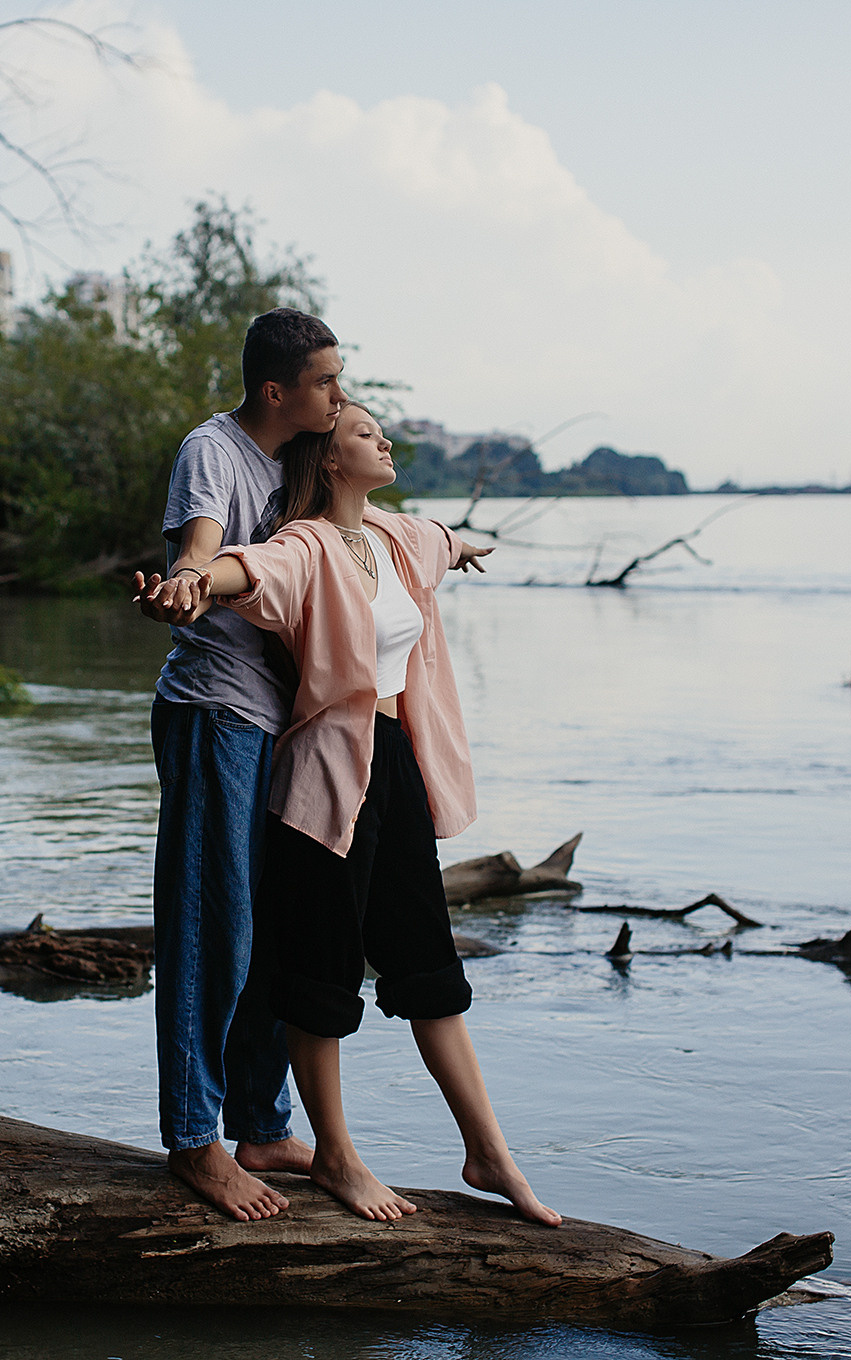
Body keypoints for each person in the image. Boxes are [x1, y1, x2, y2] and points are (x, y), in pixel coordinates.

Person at [136, 404, 561, 1227]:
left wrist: (466, 545)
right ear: (330, 461)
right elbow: (247, 570)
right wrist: (192, 582)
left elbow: (441, 539)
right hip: (331, 776)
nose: (384, 440)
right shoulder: (307, 546)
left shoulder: (396, 537)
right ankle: (334, 1154)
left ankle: (490, 1153)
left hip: (397, 765)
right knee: (321, 972)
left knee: (429, 965)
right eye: (366, 433)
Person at [129, 308, 347, 1221]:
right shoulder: (212, 450)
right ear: (275, 389)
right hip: (214, 714)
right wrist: (185, 583)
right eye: (325, 381)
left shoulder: (302, 460)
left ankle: (260, 1123)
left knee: (268, 930)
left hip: (277, 725)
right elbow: (201, 547)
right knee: (209, 928)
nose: (337, 394)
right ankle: (194, 1139)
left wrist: (446, 545)